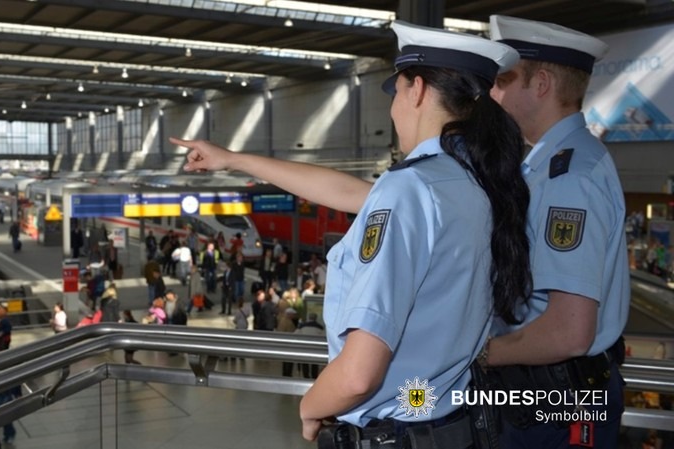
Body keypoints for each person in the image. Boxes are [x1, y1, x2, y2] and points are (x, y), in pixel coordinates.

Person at [170, 19, 532, 447]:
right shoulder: (470, 183)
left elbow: (360, 374)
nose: (394, 107)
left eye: (396, 92)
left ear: (415, 90)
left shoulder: (411, 188)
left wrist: (310, 407)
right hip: (444, 417)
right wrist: (234, 160)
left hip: (402, 432)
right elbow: (346, 191)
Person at [483, 15, 631, 449]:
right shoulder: (550, 166)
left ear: (542, 84)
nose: (493, 93)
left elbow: (570, 331)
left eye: (504, 80)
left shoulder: (570, 177)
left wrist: (476, 355)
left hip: (557, 408)